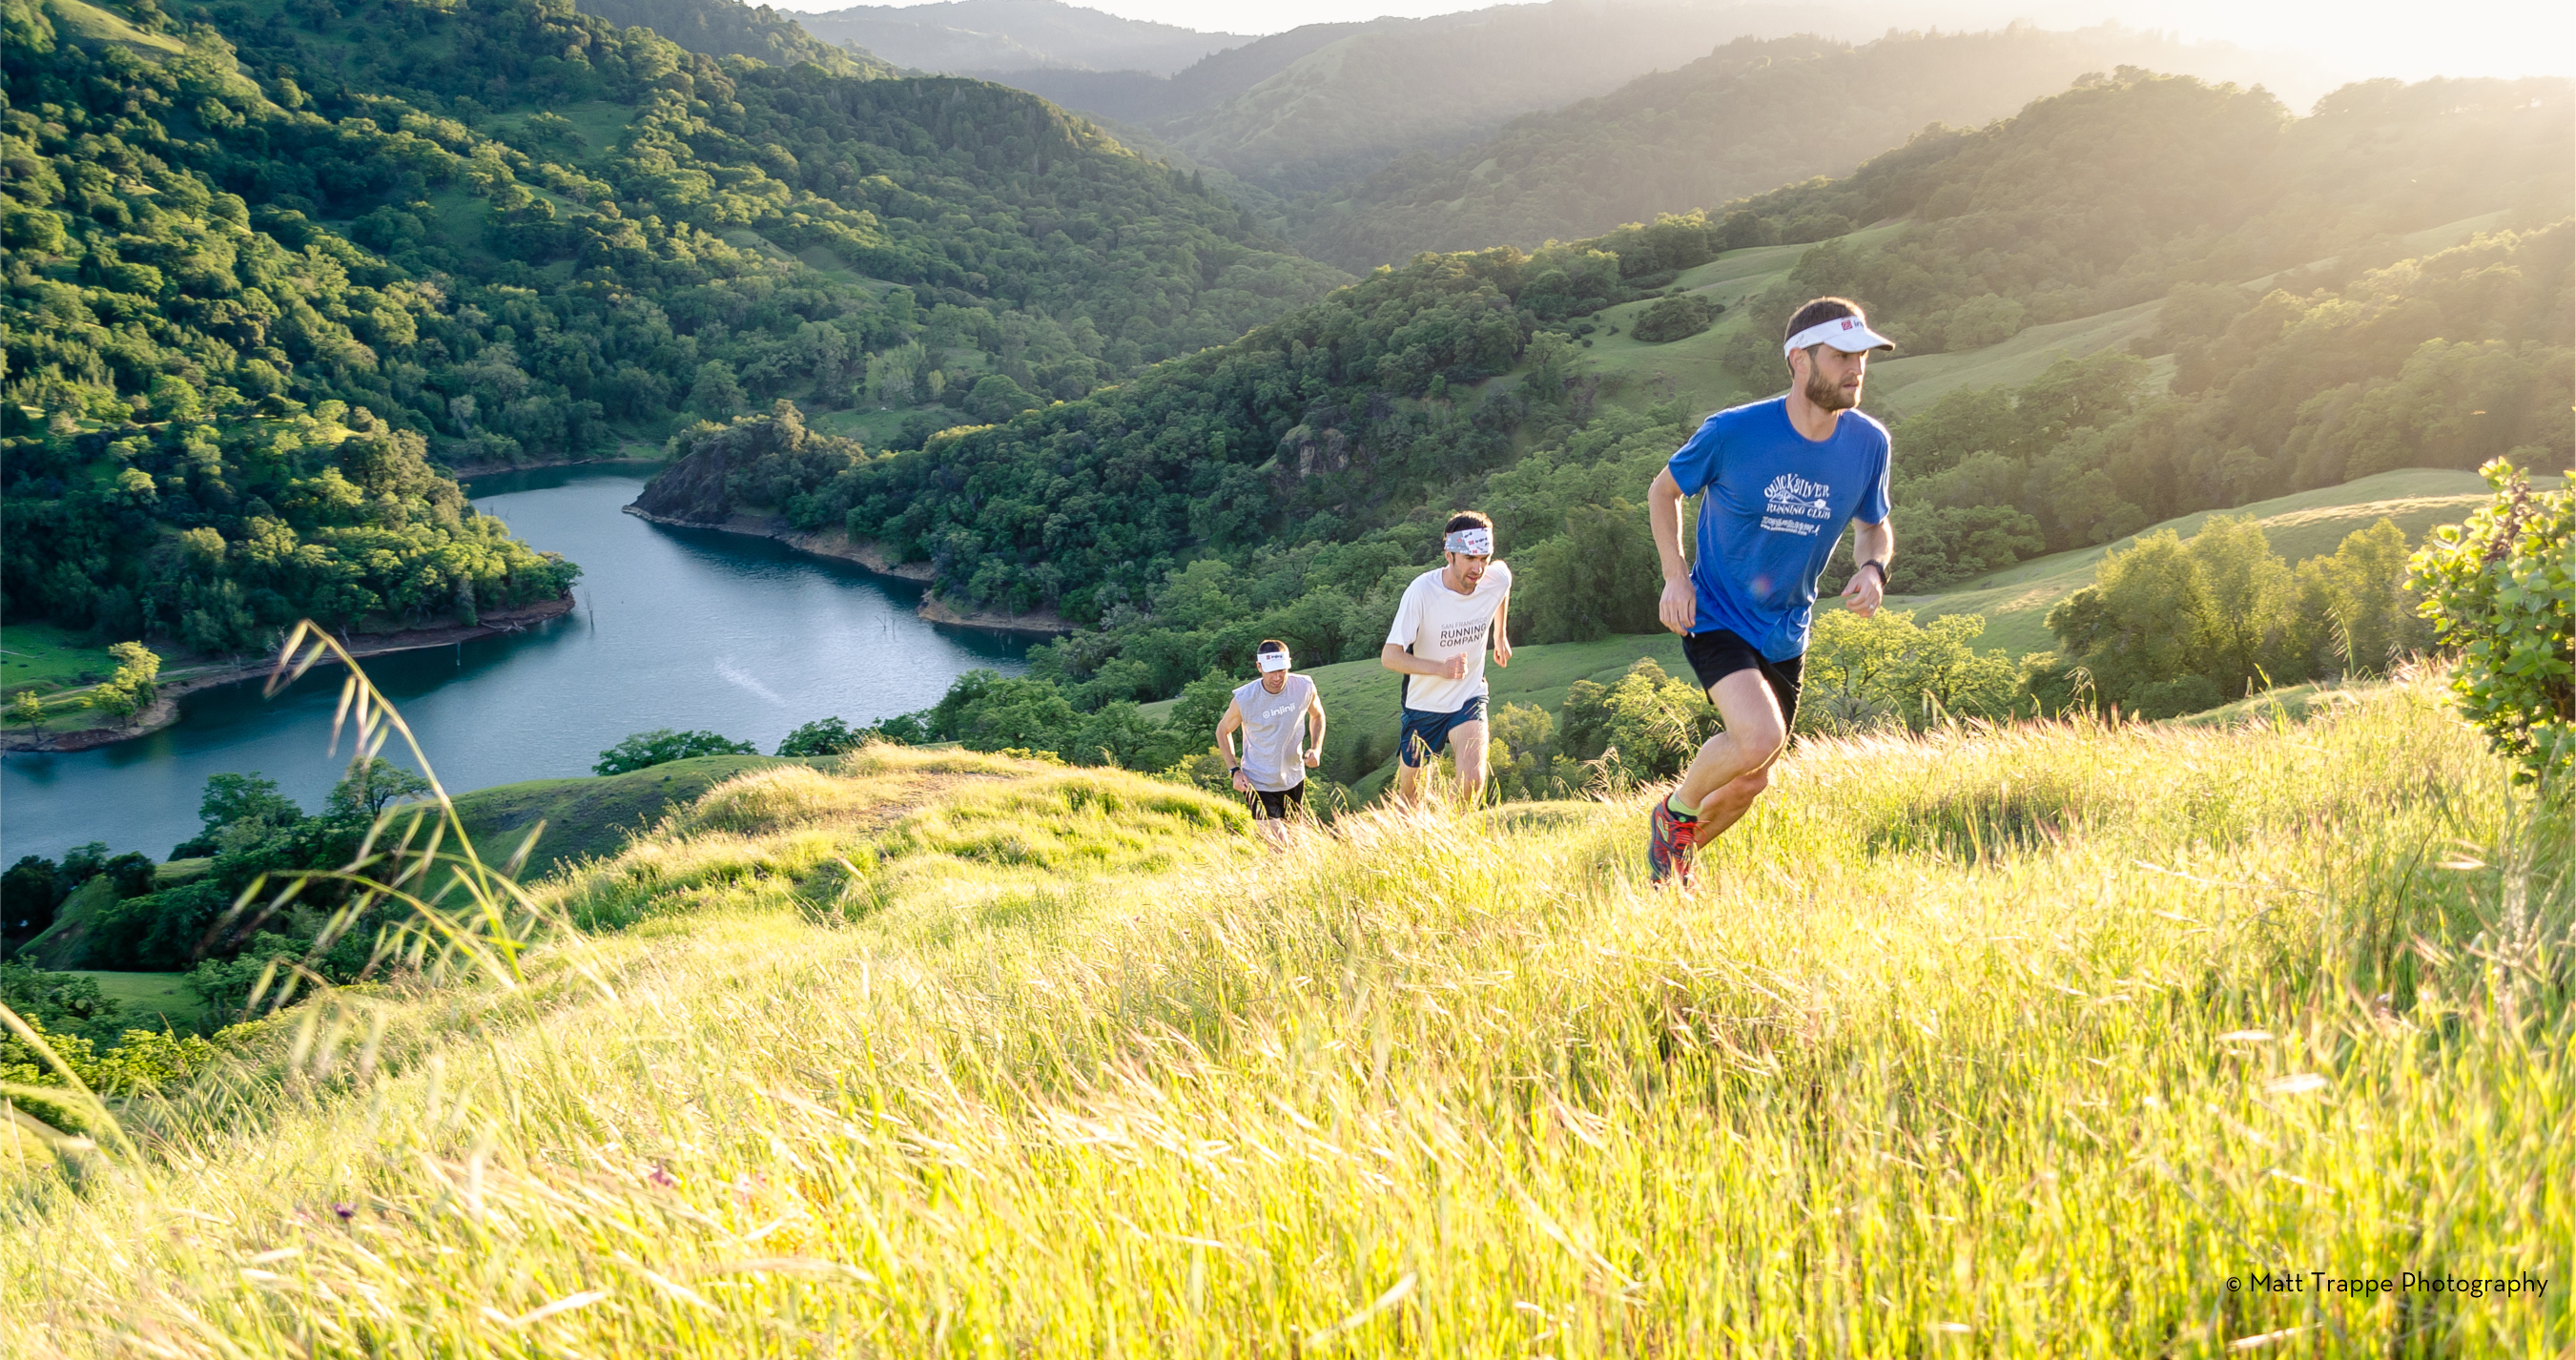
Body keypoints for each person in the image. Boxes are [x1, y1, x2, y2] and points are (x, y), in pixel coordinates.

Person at [1643, 296, 1896, 885]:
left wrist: (1872, 568)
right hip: (1716, 613)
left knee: (1751, 779)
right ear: (1799, 361)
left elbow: (1874, 526)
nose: (1856, 368)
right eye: (1841, 356)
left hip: (1787, 629)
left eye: (1863, 356)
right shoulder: (1733, 432)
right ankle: (1672, 814)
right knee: (1758, 735)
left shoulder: (1869, 443)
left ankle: (1670, 868)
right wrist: (1675, 576)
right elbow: (1662, 492)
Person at [1379, 511, 1513, 807]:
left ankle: (1451, 837)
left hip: (1469, 695)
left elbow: (1503, 584)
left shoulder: (1495, 578)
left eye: (1484, 559)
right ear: (1449, 555)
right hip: (1423, 706)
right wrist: (1441, 669)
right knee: (1410, 798)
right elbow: (1390, 657)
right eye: (1470, 559)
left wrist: (1499, 634)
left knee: (1473, 781)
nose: (1478, 569)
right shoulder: (1422, 592)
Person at [1214, 639, 1327, 846]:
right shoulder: (1245, 698)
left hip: (1293, 777)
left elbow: (1318, 715)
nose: (1277, 677)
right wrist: (1234, 770)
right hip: (1258, 781)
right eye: (1270, 671)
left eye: (1282, 671)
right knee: (1279, 844)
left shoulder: (1304, 687)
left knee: (1297, 841)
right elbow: (1223, 730)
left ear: (1289, 664)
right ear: (1259, 667)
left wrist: (1316, 748)